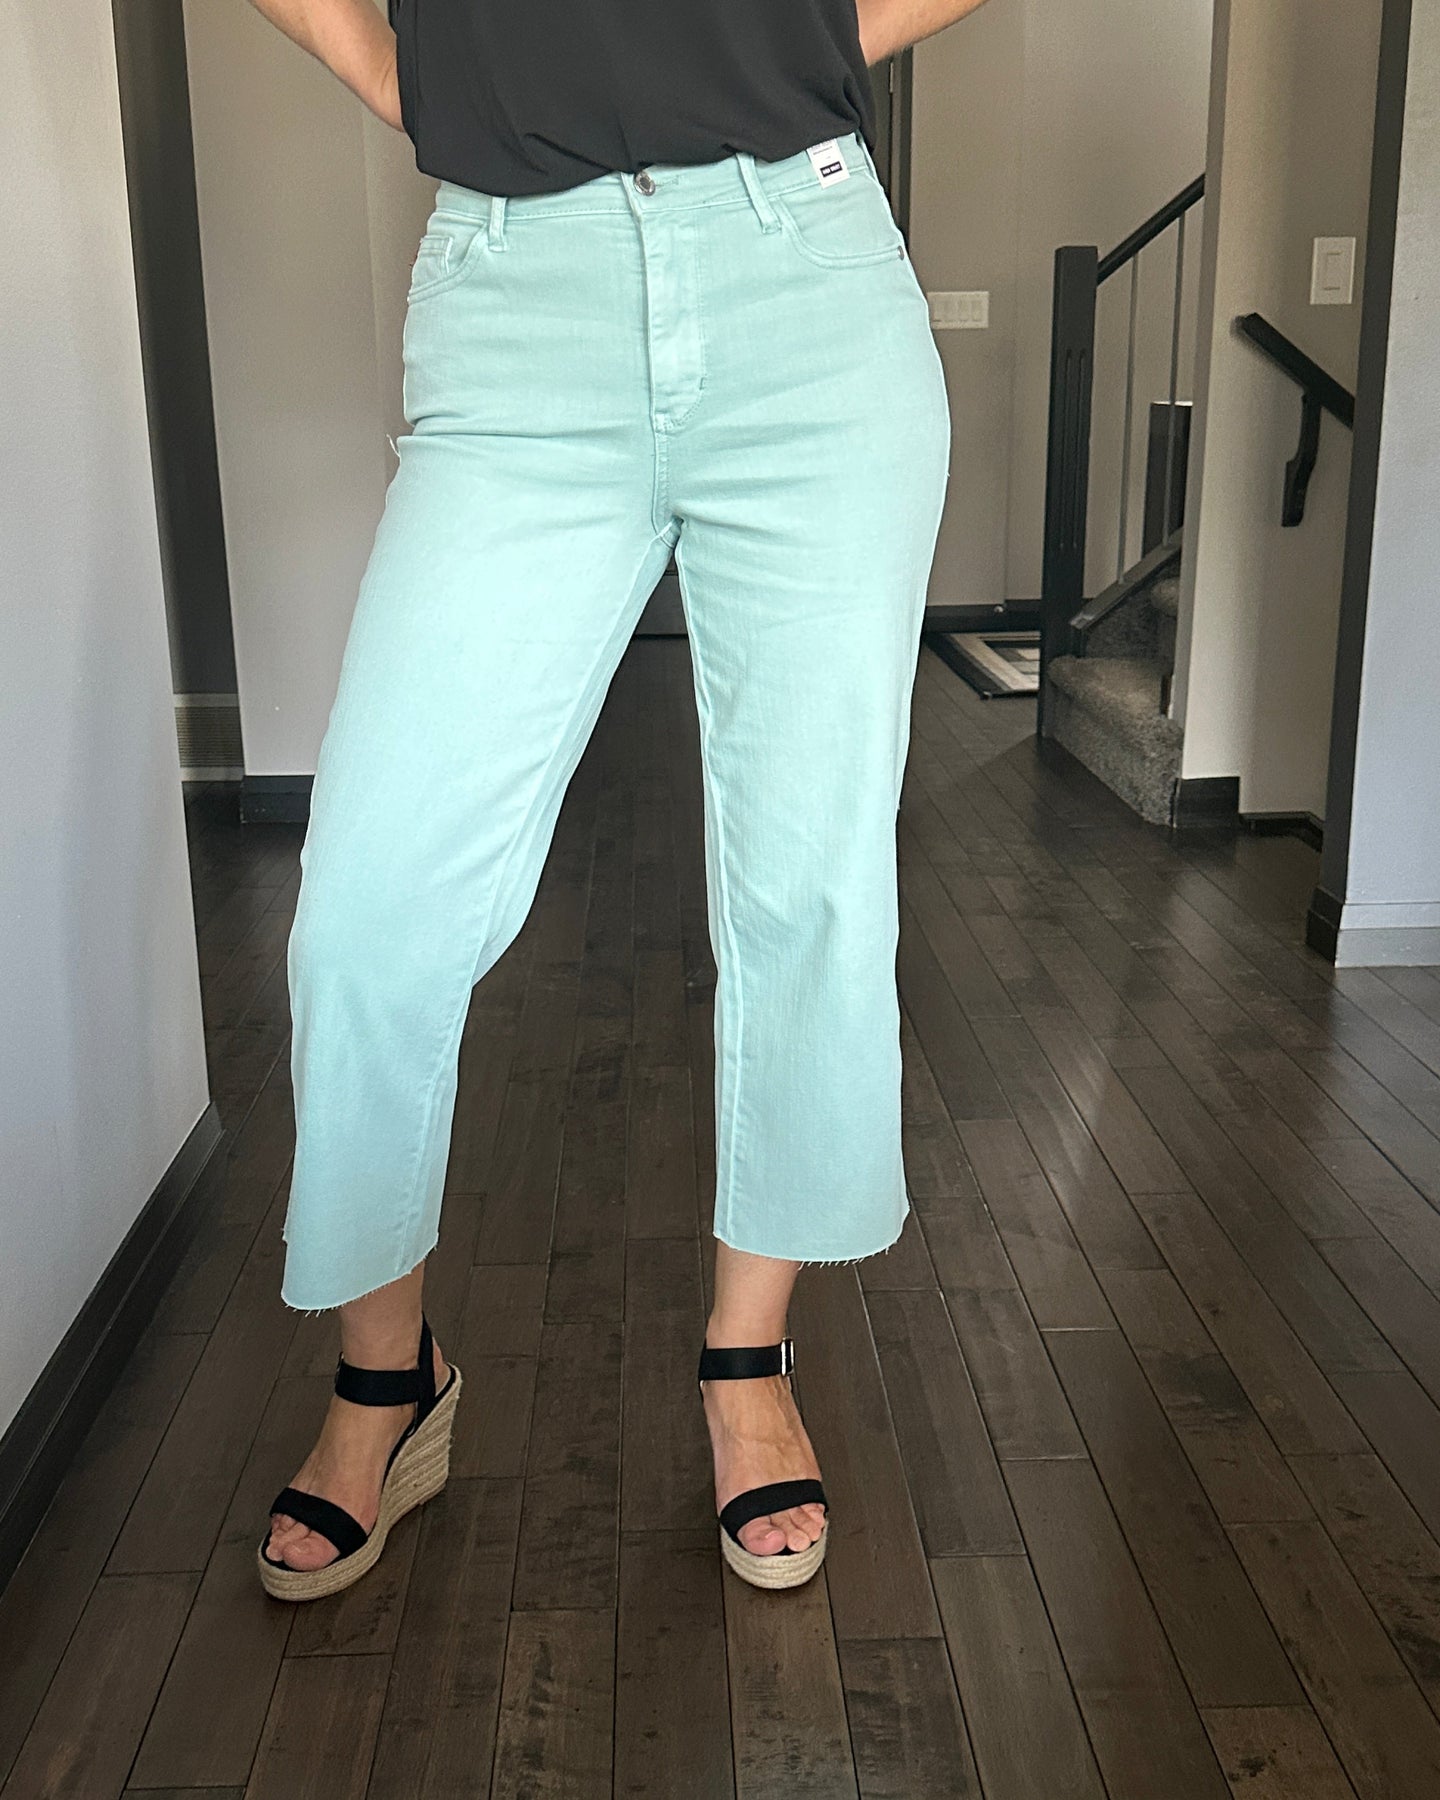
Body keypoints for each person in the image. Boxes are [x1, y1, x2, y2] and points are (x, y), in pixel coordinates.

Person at [247, 0, 989, 1602]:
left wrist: (805, 33)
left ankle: (747, 1359)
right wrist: (399, 69)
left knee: (811, 884)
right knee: (367, 909)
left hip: (804, 285)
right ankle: (388, 1377)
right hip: (518, 292)